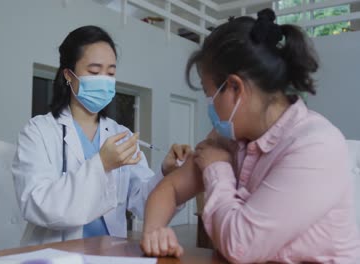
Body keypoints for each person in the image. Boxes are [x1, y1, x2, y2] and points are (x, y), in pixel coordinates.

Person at [140, 9, 360, 263]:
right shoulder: (230, 137)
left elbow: (240, 245)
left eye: (209, 93)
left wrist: (217, 168)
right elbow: (168, 190)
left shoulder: (315, 145)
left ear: (234, 88)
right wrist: (154, 232)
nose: (209, 105)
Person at [12, 25, 191, 245]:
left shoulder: (120, 135)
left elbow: (143, 202)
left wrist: (167, 173)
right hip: (56, 254)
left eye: (111, 73)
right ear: (69, 75)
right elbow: (36, 204)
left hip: (109, 254)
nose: (104, 80)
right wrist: (102, 164)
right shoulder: (38, 132)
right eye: (95, 72)